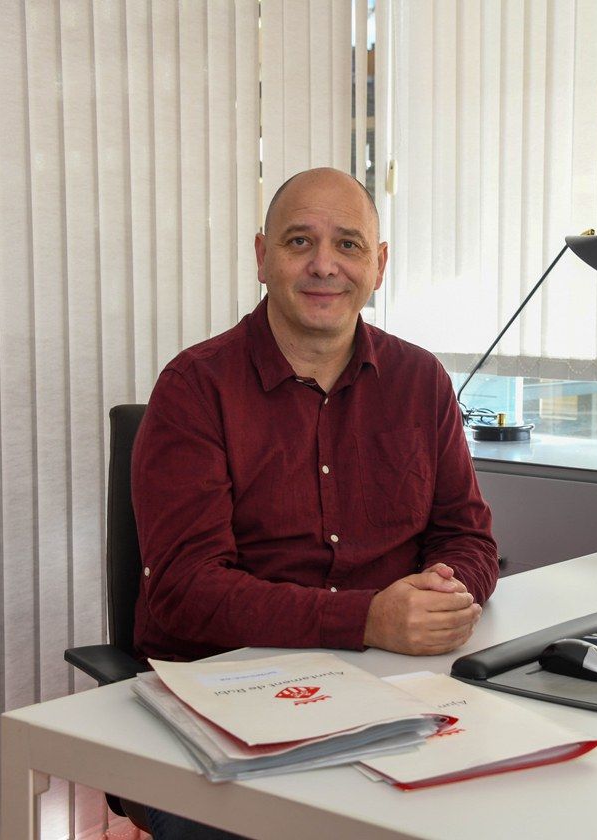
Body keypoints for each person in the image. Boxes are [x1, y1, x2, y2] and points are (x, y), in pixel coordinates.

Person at [130, 168, 498, 839]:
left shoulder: (421, 380)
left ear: (379, 265)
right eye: (299, 241)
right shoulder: (194, 388)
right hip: (230, 699)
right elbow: (184, 592)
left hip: (390, 694)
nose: (324, 265)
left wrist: (445, 593)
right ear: (262, 257)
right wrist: (369, 619)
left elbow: (467, 536)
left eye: (349, 245)